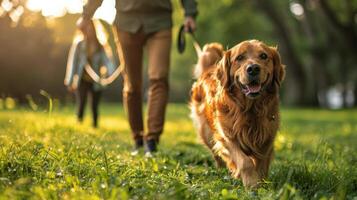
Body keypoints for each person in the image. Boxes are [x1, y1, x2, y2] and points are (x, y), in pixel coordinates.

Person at [78, 0, 198, 155]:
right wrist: (86, 14)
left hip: (160, 21)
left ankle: (152, 140)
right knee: (132, 84)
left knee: (159, 78)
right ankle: (138, 138)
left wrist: (190, 13)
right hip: (126, 22)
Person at [64, 19, 115, 128]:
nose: (88, 30)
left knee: (94, 105)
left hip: (96, 81)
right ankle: (79, 123)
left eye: (90, 27)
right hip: (82, 79)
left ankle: (95, 125)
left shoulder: (100, 45)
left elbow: (107, 61)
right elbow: (73, 62)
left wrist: (110, 74)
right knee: (81, 102)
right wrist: (70, 81)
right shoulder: (79, 45)